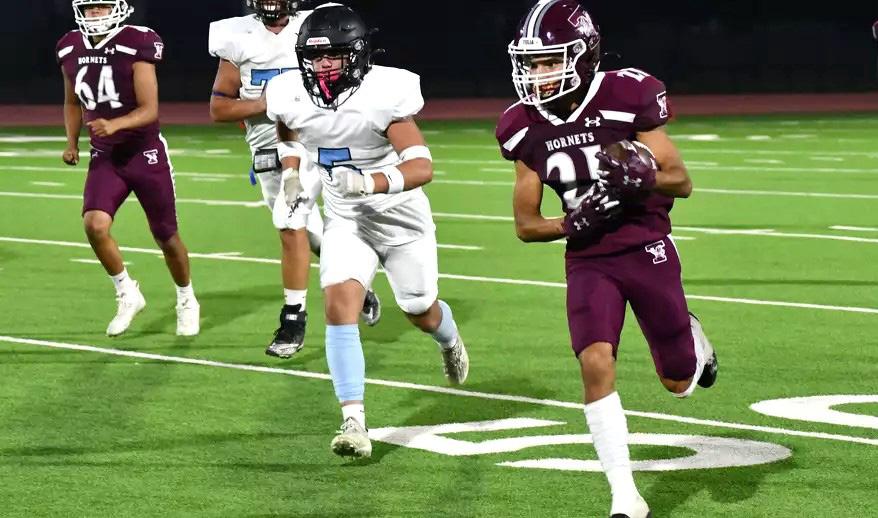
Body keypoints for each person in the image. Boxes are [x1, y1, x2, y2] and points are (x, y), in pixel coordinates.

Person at [495, 1, 718, 517]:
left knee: (678, 381)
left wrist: (640, 177)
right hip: (589, 258)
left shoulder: (625, 95)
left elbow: (681, 181)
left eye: (549, 61)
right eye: (531, 63)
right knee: (595, 362)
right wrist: (573, 223)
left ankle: (693, 340)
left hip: (645, 245)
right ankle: (625, 496)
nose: (538, 74)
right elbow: (526, 224)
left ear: (583, 55)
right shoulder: (521, 125)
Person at [264, 3, 469, 458]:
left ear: (356, 54)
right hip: (347, 221)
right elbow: (288, 129)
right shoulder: (288, 92)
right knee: (339, 307)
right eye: (314, 57)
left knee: (420, 310)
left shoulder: (384, 93)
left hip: (400, 221)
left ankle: (449, 338)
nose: (322, 65)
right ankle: (353, 420)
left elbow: (422, 166)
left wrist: (370, 181)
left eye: (332, 55)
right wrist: (292, 170)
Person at [209, 0, 381, 359]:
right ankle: (358, 284)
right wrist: (270, 103)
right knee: (310, 234)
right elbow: (219, 108)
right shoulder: (237, 36)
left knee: (289, 222)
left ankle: (293, 320)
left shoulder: (315, 25)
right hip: (268, 149)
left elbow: (353, 73)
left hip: (315, 139)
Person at [57, 0, 199, 337]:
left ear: (118, 8)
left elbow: (150, 109)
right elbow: (72, 102)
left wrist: (115, 124)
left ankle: (186, 299)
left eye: (102, 6)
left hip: (144, 153)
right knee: (94, 225)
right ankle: (126, 292)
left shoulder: (136, 41)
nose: (95, 13)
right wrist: (72, 142)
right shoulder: (69, 46)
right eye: (90, 8)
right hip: (106, 155)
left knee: (166, 236)